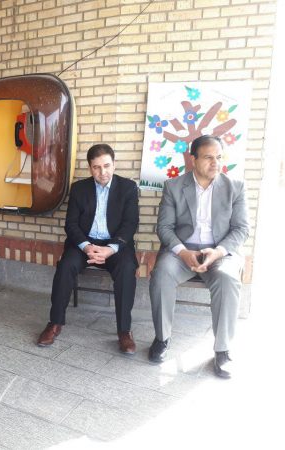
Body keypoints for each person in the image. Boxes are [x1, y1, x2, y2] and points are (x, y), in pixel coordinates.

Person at [148, 135, 249, 378]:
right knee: (161, 274)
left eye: (219, 157)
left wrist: (218, 252)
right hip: (182, 250)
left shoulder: (235, 187)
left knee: (228, 279)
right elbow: (164, 227)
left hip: (220, 251)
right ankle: (162, 338)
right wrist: (183, 252)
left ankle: (222, 350)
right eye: (208, 157)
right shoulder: (173, 186)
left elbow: (241, 229)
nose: (216, 163)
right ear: (193, 160)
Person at [37, 144, 139, 354]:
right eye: (96, 167)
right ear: (90, 168)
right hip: (85, 243)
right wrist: (86, 246)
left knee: (127, 269)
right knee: (66, 266)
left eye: (107, 166)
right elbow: (71, 224)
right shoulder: (79, 189)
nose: (103, 172)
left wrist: (110, 249)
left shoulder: (128, 188)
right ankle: (54, 323)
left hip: (115, 245)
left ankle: (124, 331)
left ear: (114, 164)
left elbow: (130, 224)